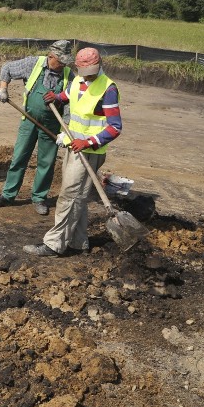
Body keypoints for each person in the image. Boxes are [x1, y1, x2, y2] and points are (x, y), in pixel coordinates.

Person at [24, 47, 123, 256]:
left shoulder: (108, 89)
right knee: (78, 197)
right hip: (73, 146)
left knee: (69, 196)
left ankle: (54, 244)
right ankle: (79, 242)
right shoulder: (78, 80)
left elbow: (115, 127)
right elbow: (69, 95)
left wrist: (88, 142)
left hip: (89, 151)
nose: (88, 74)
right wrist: (57, 97)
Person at [0, 40, 74, 215]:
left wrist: (65, 131)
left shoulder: (69, 76)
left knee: (46, 163)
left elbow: (69, 106)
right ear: (51, 56)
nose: (64, 64)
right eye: (61, 60)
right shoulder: (33, 64)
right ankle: (8, 195)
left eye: (65, 61)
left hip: (51, 124)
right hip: (28, 121)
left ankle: (39, 198)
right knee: (19, 157)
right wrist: (3, 88)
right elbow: (7, 68)